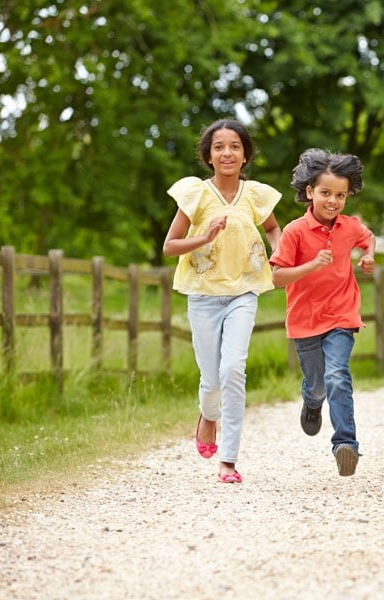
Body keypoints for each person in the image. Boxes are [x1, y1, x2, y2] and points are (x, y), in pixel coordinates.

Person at [163, 119, 282, 483]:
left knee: (233, 370)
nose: (227, 152)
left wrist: (279, 254)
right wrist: (205, 236)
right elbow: (170, 246)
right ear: (208, 156)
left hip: (243, 293)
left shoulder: (257, 195)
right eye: (219, 147)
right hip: (202, 296)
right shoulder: (196, 195)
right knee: (212, 379)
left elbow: (274, 228)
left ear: (245, 155)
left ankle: (228, 460)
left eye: (234, 146)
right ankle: (207, 415)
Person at [269, 149, 375, 477]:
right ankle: (312, 403)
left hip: (342, 315)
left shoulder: (349, 226)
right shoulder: (295, 231)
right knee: (317, 384)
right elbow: (276, 278)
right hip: (305, 320)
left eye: (341, 195)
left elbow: (368, 238)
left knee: (337, 376)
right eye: (326, 193)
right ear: (310, 192)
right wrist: (311, 265)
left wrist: (369, 255)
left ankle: (346, 445)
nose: (333, 201)